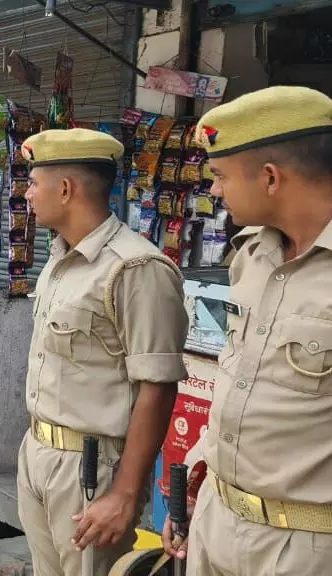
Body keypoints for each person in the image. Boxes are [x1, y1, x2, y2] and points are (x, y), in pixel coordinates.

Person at [155, 86, 332, 574]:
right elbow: (240, 384)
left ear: (271, 177)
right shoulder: (251, 257)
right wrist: (199, 483)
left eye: (220, 176)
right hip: (217, 522)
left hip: (305, 547)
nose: (214, 191)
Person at [14, 128, 188, 576]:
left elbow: (158, 385)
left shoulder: (135, 268)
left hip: (91, 468)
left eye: (34, 183)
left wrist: (126, 493)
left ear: (66, 188)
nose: (27, 194)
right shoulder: (60, 258)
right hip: (39, 449)